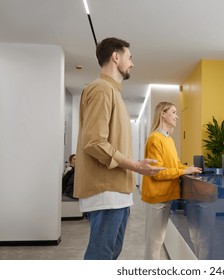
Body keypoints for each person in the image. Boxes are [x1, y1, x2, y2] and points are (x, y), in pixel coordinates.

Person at [73, 37, 164, 260]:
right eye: (129, 57)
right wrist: (136, 166)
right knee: (101, 256)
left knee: (111, 254)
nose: (132, 63)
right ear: (116, 57)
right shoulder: (102, 90)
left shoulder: (113, 92)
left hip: (118, 191)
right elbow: (94, 142)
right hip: (106, 192)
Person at [141, 101, 202, 260]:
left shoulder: (169, 139)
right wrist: (183, 171)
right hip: (157, 197)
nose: (177, 116)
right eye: (173, 112)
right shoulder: (156, 138)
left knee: (158, 240)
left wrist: (190, 168)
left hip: (166, 196)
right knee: (154, 243)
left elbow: (174, 164)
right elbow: (156, 173)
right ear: (163, 113)